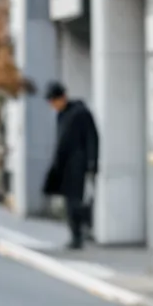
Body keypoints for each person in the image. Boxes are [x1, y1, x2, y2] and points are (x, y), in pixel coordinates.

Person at [42, 81, 99, 249]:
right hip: (65, 166)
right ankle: (75, 234)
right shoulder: (61, 115)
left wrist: (92, 163)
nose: (53, 105)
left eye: (54, 100)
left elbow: (92, 138)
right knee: (70, 203)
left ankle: (81, 233)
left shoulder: (80, 113)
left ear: (62, 97)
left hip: (79, 166)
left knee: (77, 202)